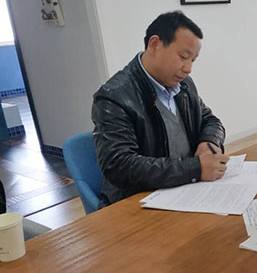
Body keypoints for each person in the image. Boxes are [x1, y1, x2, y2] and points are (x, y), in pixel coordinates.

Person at [92, 11, 228, 207]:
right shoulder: (113, 97)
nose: (188, 68)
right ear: (154, 44)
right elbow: (119, 166)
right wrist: (195, 169)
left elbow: (210, 120)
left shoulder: (183, 85)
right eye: (183, 57)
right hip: (139, 202)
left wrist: (208, 142)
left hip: (185, 190)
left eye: (193, 60)